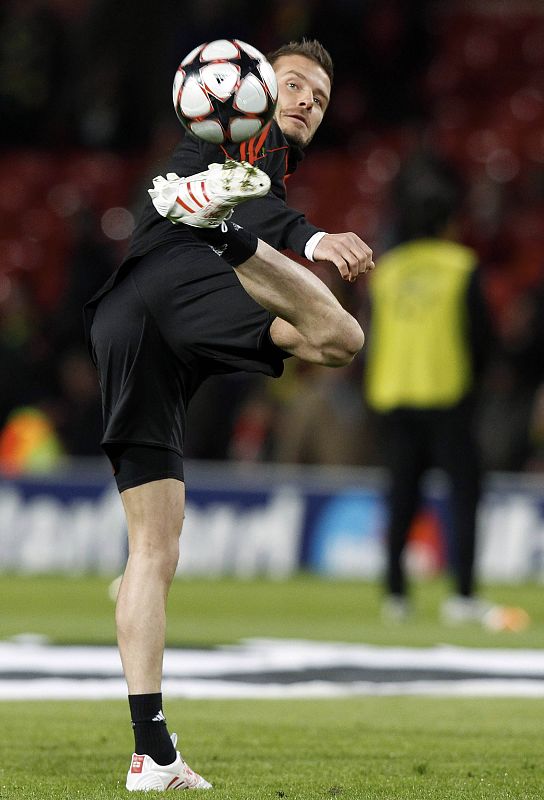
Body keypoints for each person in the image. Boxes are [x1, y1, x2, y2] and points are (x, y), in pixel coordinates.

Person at [84, 39, 374, 791]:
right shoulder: (243, 126)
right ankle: (214, 231)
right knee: (341, 336)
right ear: (251, 85)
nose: (307, 98)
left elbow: (251, 192)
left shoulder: (242, 152)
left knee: (153, 551)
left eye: (320, 94)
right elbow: (259, 199)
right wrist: (311, 238)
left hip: (127, 323)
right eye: (294, 83)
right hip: (182, 278)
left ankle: (152, 753)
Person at [364, 153, 494, 626]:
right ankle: (461, 595)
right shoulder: (461, 266)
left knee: (400, 499)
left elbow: (372, 336)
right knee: (463, 497)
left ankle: (395, 596)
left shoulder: (389, 271)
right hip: (447, 395)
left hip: (394, 396)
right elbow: (480, 336)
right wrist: (476, 385)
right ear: (447, 220)